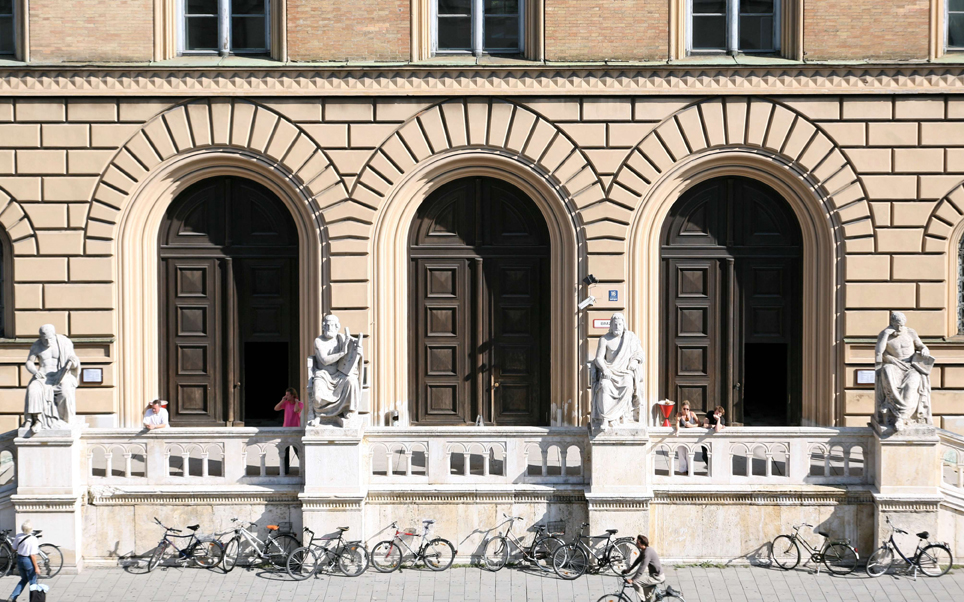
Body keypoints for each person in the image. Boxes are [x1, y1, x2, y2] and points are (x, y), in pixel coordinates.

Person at [23, 324, 81, 434]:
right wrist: (35, 372)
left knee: (65, 391)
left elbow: (74, 361)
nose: (48, 342)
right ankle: (37, 420)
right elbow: (29, 362)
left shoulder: (64, 343)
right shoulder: (37, 345)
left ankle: (65, 420)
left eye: (50, 339)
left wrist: (73, 363)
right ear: (40, 337)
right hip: (43, 376)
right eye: (45, 339)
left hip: (61, 375)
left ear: (54, 334)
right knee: (33, 389)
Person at [622, 534, 665, 602]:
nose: (636, 543)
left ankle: (642, 600)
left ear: (641, 543)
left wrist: (633, 579)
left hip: (657, 577)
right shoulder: (644, 550)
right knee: (647, 596)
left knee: (636, 581)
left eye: (637, 542)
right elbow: (638, 560)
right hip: (654, 575)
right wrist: (629, 570)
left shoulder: (647, 553)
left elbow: (642, 568)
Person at [9, 520, 39, 601]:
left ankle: (12, 597)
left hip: (20, 559)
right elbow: (33, 555)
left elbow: (13, 549)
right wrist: (36, 567)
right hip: (28, 561)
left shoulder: (18, 536)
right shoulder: (33, 539)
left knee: (24, 579)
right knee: (33, 582)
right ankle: (33, 600)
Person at [275, 388, 303, 473]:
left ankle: (303, 469)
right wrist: (282, 400)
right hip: (286, 429)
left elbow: (296, 410)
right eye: (286, 394)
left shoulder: (300, 404)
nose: (286, 396)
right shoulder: (286, 403)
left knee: (298, 450)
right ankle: (285, 470)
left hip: (295, 430)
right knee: (285, 451)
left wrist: (297, 402)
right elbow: (276, 408)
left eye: (288, 395)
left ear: (293, 395)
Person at [674, 402, 700, 473]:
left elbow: (699, 423)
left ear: (689, 409)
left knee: (689, 453)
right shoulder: (679, 414)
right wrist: (678, 430)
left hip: (690, 436)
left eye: (687, 409)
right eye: (684, 409)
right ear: (681, 408)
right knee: (681, 453)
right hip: (682, 436)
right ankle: (683, 470)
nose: (686, 411)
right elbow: (677, 423)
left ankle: (690, 469)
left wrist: (691, 426)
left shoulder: (692, 414)